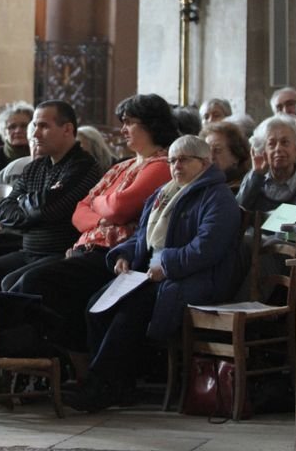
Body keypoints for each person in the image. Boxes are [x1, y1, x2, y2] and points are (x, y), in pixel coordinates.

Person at [64, 135, 240, 413]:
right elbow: (143, 238)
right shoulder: (163, 194)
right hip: (150, 273)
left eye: (184, 160)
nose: (176, 166)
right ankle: (119, 385)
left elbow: (206, 249)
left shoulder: (218, 198)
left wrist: (167, 266)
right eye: (172, 160)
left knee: (129, 312)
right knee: (96, 306)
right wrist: (124, 256)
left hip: (193, 279)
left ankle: (101, 386)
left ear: (205, 163)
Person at [12, 94, 178, 355]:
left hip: (113, 255)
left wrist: (101, 204)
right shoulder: (119, 168)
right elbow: (78, 213)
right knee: (15, 283)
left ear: (151, 124)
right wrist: (105, 212)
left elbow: (121, 208)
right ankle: (42, 362)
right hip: (83, 249)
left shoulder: (162, 165)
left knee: (33, 283)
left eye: (130, 122)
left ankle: (57, 359)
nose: (122, 129)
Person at [0, 100, 103, 291]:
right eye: (35, 126)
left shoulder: (83, 166)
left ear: (67, 129)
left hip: (61, 254)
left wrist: (25, 204)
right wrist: (34, 206)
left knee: (13, 284)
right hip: (28, 250)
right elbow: (4, 211)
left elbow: (49, 209)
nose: (35, 134)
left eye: (43, 126)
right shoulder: (34, 167)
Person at [237, 114, 296, 213]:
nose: (278, 149)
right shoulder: (254, 180)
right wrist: (256, 175)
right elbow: (236, 213)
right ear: (264, 152)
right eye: (271, 144)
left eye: (285, 142)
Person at [0, 101, 33, 178]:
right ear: (3, 131)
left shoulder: (42, 153)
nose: (18, 131)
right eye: (12, 127)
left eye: (24, 126)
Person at [199, 120, 251, 193]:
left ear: (236, 156)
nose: (211, 157)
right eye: (207, 150)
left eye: (217, 150)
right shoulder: (202, 185)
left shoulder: (245, 188)